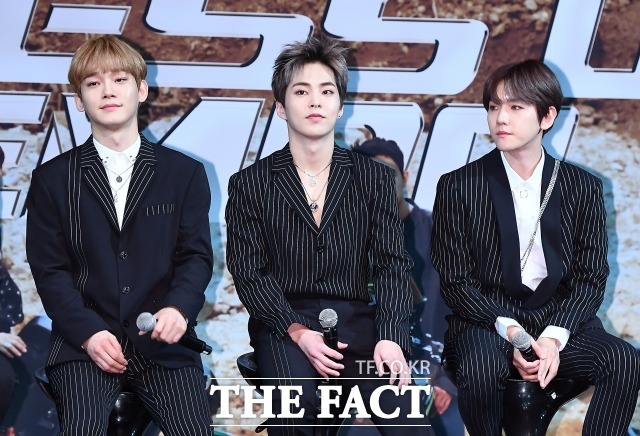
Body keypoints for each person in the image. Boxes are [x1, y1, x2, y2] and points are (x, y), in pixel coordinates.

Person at [225, 36, 432, 435]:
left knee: (407, 420)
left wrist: (391, 338)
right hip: (285, 325)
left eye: (326, 91)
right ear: (281, 107)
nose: (315, 102)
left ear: (339, 106)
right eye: (301, 91)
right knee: (296, 406)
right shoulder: (251, 183)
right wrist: (297, 331)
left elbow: (392, 265)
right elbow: (249, 272)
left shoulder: (373, 178)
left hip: (360, 324)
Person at [430, 59, 640, 435]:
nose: (501, 118)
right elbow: (456, 283)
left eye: (516, 107)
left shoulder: (582, 187)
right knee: (481, 369)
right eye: (493, 106)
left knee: (622, 360)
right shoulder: (459, 185)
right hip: (488, 321)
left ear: (547, 116)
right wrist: (513, 333)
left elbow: (591, 277)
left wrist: (554, 337)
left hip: (558, 319)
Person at [25, 35, 214, 435]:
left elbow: (194, 257)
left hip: (163, 346)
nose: (107, 91)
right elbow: (50, 269)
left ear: (141, 90)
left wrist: (178, 310)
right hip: (83, 346)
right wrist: (88, 333)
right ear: (79, 100)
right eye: (93, 83)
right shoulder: (52, 179)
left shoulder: (184, 173)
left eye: (119, 80)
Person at [353, 138, 464, 436]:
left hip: (435, 378)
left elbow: (468, 310)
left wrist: (446, 380)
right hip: (367, 380)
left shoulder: (443, 234)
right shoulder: (344, 240)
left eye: (387, 174)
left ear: (404, 178)